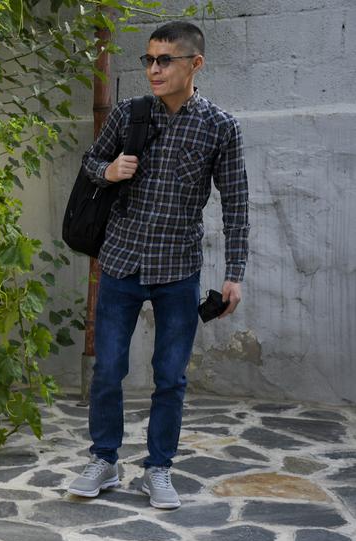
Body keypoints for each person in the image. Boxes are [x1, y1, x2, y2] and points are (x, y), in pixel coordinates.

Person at [67, 21, 249, 509]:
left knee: (171, 376)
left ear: (195, 64)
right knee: (108, 370)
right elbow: (89, 163)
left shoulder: (219, 127)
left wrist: (235, 274)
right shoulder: (128, 114)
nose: (152, 69)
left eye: (164, 60)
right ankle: (104, 460)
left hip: (178, 269)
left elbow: (236, 204)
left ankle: (158, 468)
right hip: (121, 261)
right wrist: (107, 172)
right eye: (148, 59)